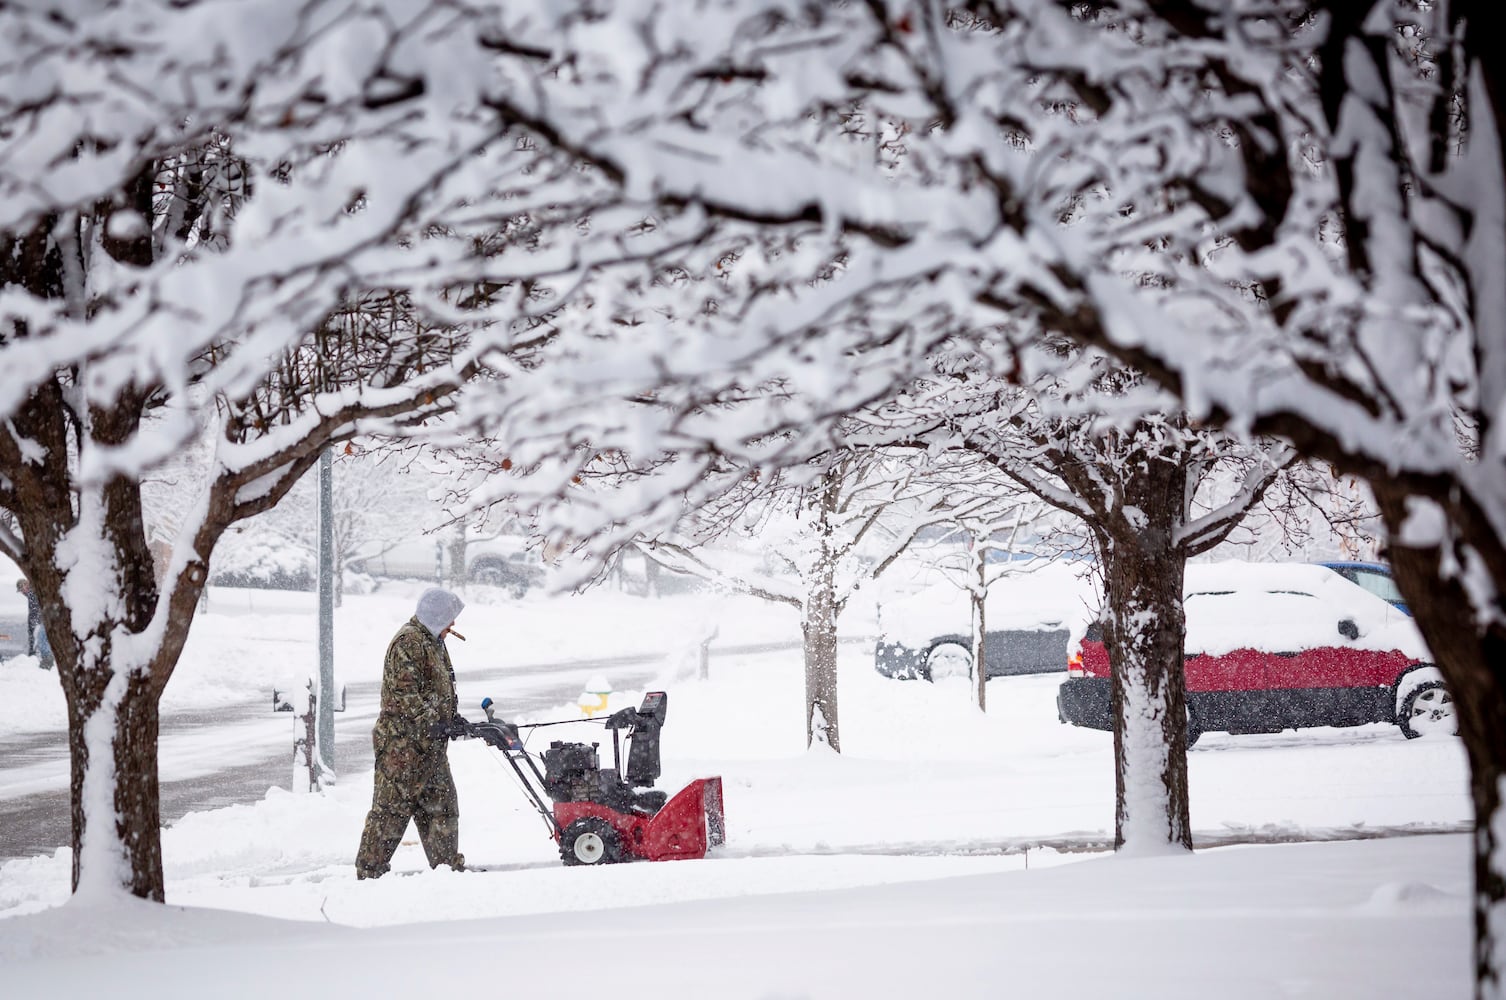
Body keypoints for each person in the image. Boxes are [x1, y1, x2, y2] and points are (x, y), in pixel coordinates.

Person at [355, 587, 468, 879]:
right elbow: (406, 697)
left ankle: (446, 869)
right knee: (390, 812)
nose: (453, 625)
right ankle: (369, 873)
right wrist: (435, 722)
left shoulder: (432, 642)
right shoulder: (409, 643)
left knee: (442, 806)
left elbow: (435, 692)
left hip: (429, 747)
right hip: (402, 749)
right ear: (436, 616)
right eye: (449, 618)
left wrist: (453, 719)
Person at [16, 579, 52, 671]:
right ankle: (45, 659)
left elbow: (36, 610)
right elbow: (33, 611)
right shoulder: (30, 594)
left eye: (22, 589)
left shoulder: (33, 592)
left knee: (42, 639)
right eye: (21, 591)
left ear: (25, 584)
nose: (22, 592)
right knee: (40, 639)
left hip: (46, 619)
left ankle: (48, 661)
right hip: (43, 619)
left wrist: (36, 621)